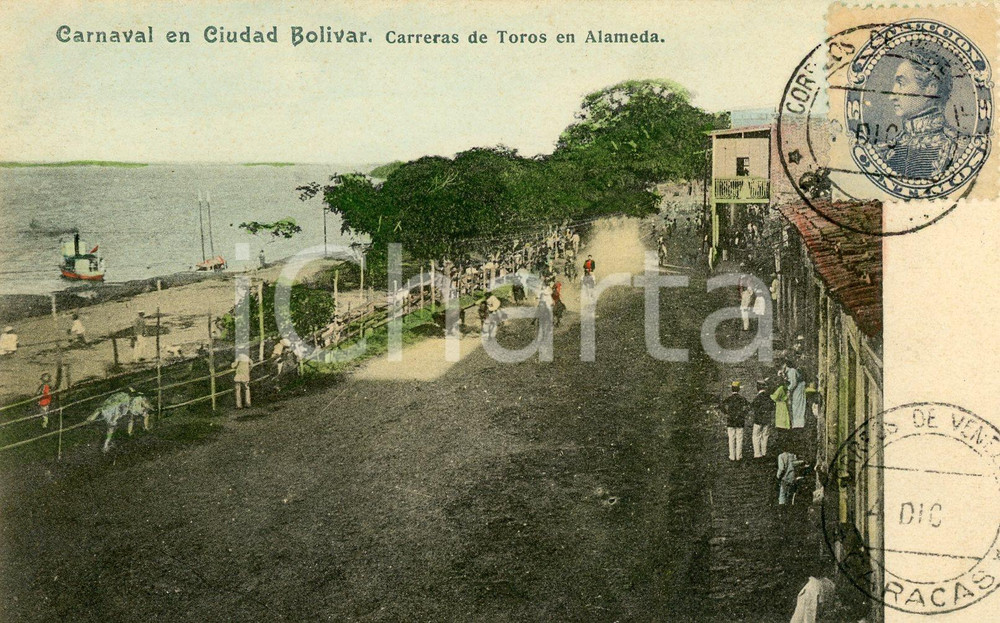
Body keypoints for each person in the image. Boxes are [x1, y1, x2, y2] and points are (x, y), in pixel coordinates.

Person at [880, 48, 963, 180]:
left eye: (901, 83)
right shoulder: (883, 151)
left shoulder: (960, 150)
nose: (892, 96)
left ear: (931, 88)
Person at [721, 381, 750, 462]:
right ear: (739, 389)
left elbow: (721, 405)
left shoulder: (729, 398)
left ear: (731, 389)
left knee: (731, 438)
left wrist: (726, 413)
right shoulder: (742, 398)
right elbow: (748, 406)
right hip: (740, 420)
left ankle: (732, 456)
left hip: (730, 420)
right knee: (739, 438)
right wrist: (744, 413)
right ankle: (739, 456)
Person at [750, 379, 772, 458]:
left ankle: (757, 453)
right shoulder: (768, 397)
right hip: (767, 420)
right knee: (765, 436)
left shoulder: (757, 398)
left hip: (758, 420)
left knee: (756, 436)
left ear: (757, 388)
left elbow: (752, 406)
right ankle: (764, 452)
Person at [786, 360, 807, 429]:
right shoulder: (790, 372)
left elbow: (793, 383)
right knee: (796, 407)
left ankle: (798, 425)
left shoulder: (792, 371)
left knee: (798, 407)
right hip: (797, 389)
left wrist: (788, 389)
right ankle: (797, 424)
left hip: (798, 390)